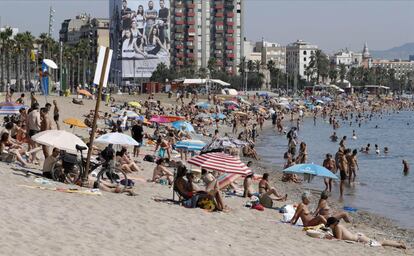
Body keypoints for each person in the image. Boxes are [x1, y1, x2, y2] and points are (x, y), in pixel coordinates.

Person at [326, 217, 406, 249]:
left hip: (359, 238)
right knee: (380, 242)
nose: (329, 227)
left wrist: (330, 238)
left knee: (381, 243)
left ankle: (399, 244)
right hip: (358, 237)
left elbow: (339, 239)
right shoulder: (336, 227)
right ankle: (397, 243)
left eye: (329, 225)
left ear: (333, 224)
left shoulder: (338, 227)